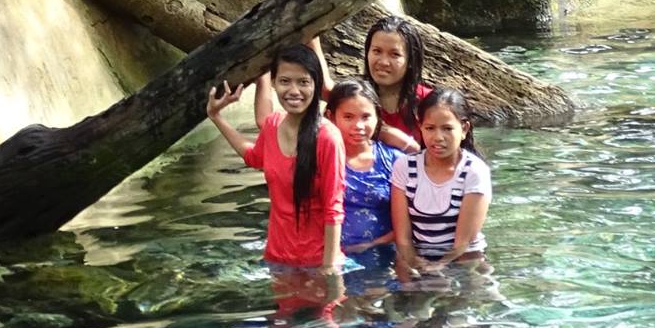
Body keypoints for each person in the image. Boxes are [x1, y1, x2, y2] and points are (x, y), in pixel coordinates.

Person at [206, 44, 345, 275]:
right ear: (273, 83)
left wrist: (329, 270)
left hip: (317, 262)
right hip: (277, 258)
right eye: (285, 81)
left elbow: (334, 209)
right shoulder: (272, 125)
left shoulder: (328, 138)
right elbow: (253, 157)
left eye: (303, 82)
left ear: (316, 84)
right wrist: (216, 116)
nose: (293, 90)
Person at [391, 86, 491, 280]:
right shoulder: (405, 167)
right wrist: (413, 261)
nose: (438, 137)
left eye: (447, 129)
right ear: (420, 127)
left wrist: (439, 266)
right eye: (430, 128)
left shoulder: (474, 171)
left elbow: (463, 242)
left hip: (464, 257)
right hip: (417, 256)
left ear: (464, 129)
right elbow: (403, 237)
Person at [326, 79, 398, 268]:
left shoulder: (394, 160)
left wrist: (372, 245)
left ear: (377, 117)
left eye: (366, 117)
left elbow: (412, 220)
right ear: (331, 117)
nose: (358, 126)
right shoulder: (321, 159)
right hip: (331, 256)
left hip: (383, 256)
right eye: (348, 117)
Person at [361, 15, 433, 152]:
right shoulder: (355, 99)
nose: (383, 62)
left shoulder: (429, 102)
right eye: (377, 51)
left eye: (394, 54)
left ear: (411, 61)